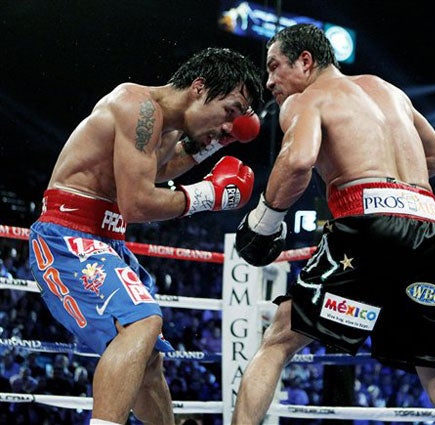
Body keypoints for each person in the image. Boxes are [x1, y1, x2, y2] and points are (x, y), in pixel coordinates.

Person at [234, 24, 435, 425]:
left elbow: (298, 162)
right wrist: (384, 180)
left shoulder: (307, 99)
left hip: (365, 224)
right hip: (428, 225)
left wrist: (264, 221)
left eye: (274, 66)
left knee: (278, 339)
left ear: (305, 61)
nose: (269, 81)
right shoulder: (390, 91)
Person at [28, 46, 262, 425]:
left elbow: (154, 171)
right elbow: (136, 204)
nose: (229, 124)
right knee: (142, 322)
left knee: (148, 357)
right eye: (230, 110)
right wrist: (208, 194)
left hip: (106, 240)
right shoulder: (138, 106)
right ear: (199, 87)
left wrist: (216, 143)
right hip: (68, 234)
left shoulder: (166, 127)